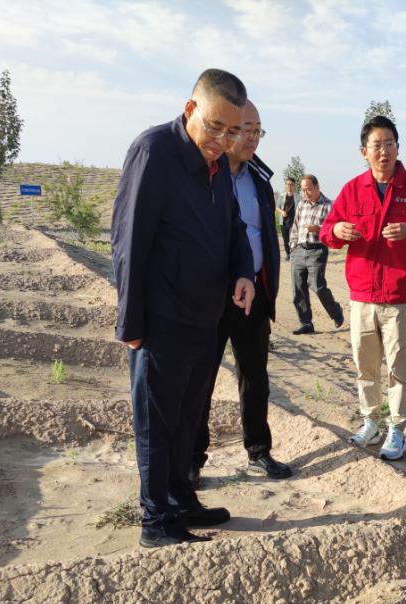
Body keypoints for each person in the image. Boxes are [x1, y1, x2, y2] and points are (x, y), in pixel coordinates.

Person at [111, 68, 256, 549]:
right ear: (190, 109)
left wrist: (243, 272)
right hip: (161, 318)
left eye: (232, 131)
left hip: (203, 317)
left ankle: (180, 498)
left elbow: (234, 227)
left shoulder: (218, 166)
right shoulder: (155, 152)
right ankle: (157, 519)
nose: (222, 140)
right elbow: (128, 240)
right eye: (215, 127)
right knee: (157, 421)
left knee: (188, 417)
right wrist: (132, 323)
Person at [320, 115, 406, 461]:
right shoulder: (352, 189)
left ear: (398, 148)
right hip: (362, 296)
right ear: (364, 152)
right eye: (376, 145)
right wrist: (337, 231)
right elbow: (328, 231)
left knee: (399, 367)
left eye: (389, 143)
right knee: (365, 365)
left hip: (398, 297)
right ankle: (370, 422)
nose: (383, 151)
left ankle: (397, 429)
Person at [192, 100, 294, 485]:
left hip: (253, 292)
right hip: (210, 293)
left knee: (255, 375)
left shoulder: (260, 179)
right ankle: (192, 458)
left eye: (257, 131)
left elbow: (264, 234)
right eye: (245, 129)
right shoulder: (205, 173)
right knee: (201, 376)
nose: (252, 138)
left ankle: (258, 451)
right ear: (228, 129)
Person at [290, 174, 344, 334]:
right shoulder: (301, 204)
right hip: (299, 249)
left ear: (317, 187)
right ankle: (306, 323)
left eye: (308, 189)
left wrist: (319, 229)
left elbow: (334, 229)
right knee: (298, 288)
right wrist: (293, 246)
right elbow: (295, 226)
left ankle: (336, 312)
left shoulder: (328, 205)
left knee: (317, 286)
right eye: (303, 190)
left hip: (317, 250)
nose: (305, 193)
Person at [277, 177, 296, 261]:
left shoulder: (298, 197)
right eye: (288, 184)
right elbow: (277, 207)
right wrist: (282, 212)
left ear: (294, 186)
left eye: (291, 184)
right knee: (285, 240)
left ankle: (293, 254)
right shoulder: (282, 196)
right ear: (285, 185)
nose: (289, 186)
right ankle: (288, 254)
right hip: (284, 222)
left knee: (293, 239)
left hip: (294, 221)